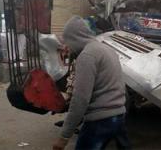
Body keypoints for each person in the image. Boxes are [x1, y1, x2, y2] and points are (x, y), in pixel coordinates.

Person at [53, 16, 130, 150]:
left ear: (75, 38)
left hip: (99, 121)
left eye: (68, 41)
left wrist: (63, 137)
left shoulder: (87, 55)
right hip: (119, 116)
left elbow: (80, 100)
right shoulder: (107, 50)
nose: (68, 47)